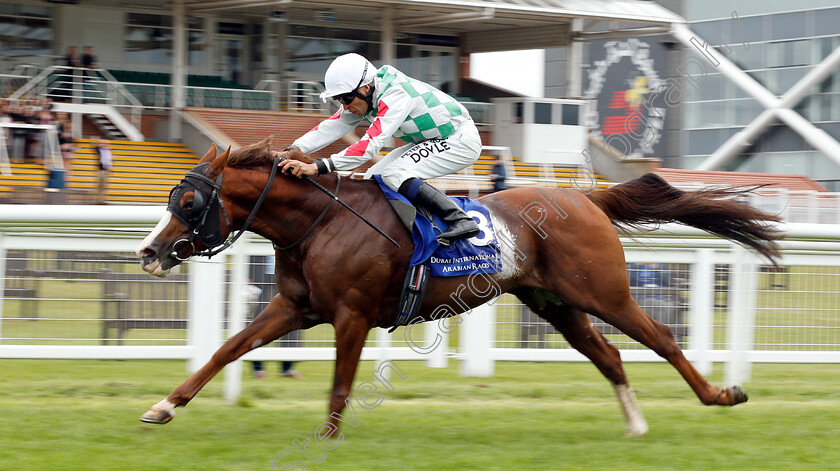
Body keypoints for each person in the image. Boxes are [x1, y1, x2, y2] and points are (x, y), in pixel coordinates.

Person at [277, 53, 481, 244]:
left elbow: (368, 148)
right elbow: (332, 126)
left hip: (459, 139)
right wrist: (292, 149)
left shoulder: (395, 94)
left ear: (365, 89)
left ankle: (460, 220)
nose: (344, 105)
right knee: (372, 179)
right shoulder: (366, 93)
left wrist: (318, 167)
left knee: (394, 174)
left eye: (346, 98)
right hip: (433, 139)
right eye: (338, 99)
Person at [95, 138, 112, 203]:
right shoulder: (99, 150)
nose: (105, 144)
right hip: (100, 170)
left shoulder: (108, 151)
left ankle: (103, 199)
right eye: (104, 143)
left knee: (104, 185)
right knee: (100, 185)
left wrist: (110, 169)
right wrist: (100, 143)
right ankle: (99, 199)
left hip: (106, 170)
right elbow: (95, 148)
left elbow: (109, 160)